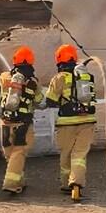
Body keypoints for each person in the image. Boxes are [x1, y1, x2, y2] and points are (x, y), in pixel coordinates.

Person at [44, 44, 96, 202]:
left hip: (66, 122)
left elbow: (50, 101)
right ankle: (77, 184)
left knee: (66, 153)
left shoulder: (59, 78)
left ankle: (67, 184)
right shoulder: (87, 77)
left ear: (59, 60)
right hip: (88, 121)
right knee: (80, 155)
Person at [0, 46, 43, 195]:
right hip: (23, 123)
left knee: (10, 153)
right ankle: (11, 183)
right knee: (19, 152)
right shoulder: (33, 82)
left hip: (5, 122)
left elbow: (1, 82)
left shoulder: (5, 77)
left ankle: (19, 182)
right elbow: (39, 101)